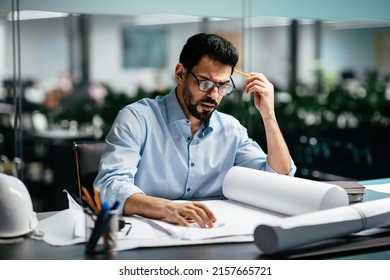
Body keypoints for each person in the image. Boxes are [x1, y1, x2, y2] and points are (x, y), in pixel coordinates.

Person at [94, 33, 296, 228]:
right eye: (205, 83)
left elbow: (277, 180)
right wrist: (166, 208)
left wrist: (269, 116)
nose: (214, 95)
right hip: (148, 237)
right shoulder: (138, 119)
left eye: (222, 86)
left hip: (214, 236)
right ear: (180, 73)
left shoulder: (231, 129)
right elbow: (109, 186)